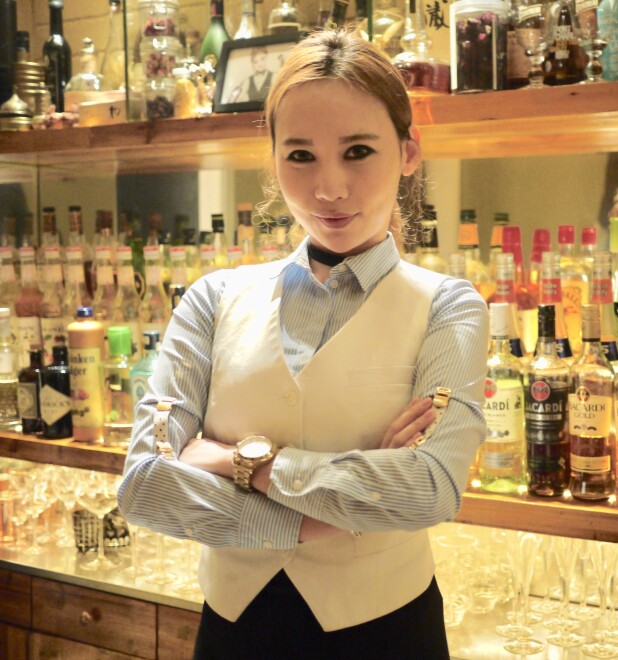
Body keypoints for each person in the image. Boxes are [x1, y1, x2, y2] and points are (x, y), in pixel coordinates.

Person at [117, 29, 489, 658]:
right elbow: (145, 485)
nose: (330, 188)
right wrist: (338, 513)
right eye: (300, 156)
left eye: (358, 151)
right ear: (273, 160)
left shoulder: (448, 308)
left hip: (388, 634)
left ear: (407, 153)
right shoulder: (212, 299)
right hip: (233, 633)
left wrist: (241, 461)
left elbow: (430, 489)